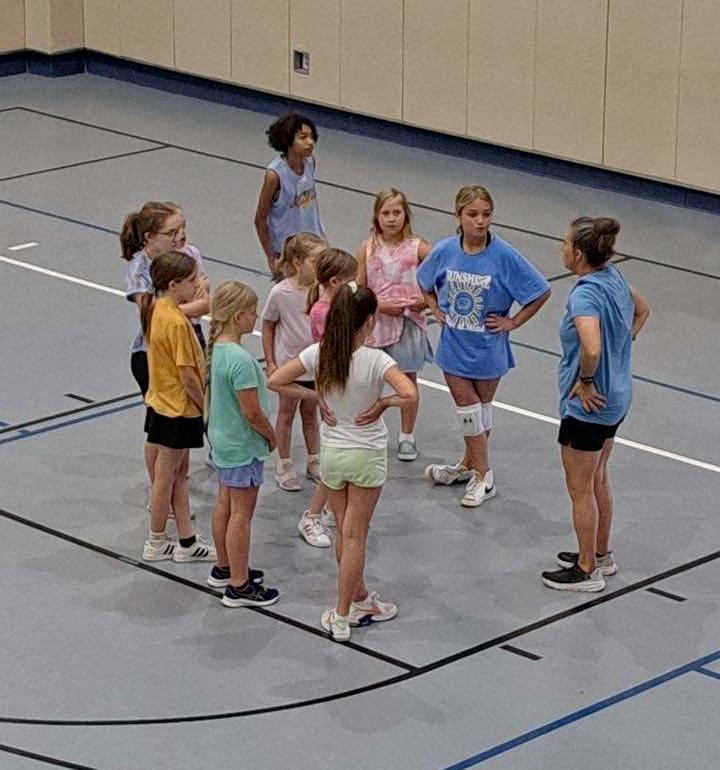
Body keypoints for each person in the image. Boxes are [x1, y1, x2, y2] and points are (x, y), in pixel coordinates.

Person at [268, 284, 417, 642]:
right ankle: (343, 613)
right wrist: (382, 404)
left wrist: (314, 396)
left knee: (343, 532)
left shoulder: (319, 353)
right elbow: (409, 393)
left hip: (333, 454)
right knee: (355, 536)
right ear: (369, 322)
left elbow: (275, 380)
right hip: (366, 455)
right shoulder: (377, 360)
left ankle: (360, 597)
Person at [417, 185, 551, 507]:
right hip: (454, 345)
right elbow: (424, 282)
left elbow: (540, 291)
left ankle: (470, 465)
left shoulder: (505, 255)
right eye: (473, 214)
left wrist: (513, 322)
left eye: (486, 214)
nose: (480, 221)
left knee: (481, 411)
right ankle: (483, 473)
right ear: (458, 216)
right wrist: (435, 309)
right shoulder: (445, 250)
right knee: (468, 408)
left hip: (489, 347)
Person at [542, 217, 650, 592]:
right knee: (599, 476)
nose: (561, 248)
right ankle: (601, 553)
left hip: (589, 407)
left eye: (564, 243)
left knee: (580, 488)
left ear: (578, 253)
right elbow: (643, 310)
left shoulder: (584, 296)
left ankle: (586, 569)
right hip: (617, 397)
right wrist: (622, 347)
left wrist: (586, 381)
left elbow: (591, 348)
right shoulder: (614, 277)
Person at [121, 202, 209, 492]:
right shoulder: (139, 268)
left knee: (185, 421)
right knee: (160, 429)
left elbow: (205, 303)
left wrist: (174, 308)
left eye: (183, 228)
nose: (180, 236)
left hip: (192, 339)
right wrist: (179, 309)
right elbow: (151, 315)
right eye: (172, 232)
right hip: (153, 354)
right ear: (149, 237)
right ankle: (159, 489)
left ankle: (178, 483)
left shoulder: (190, 255)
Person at [205, 281, 280, 607]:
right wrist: (272, 435)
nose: (256, 317)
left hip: (223, 440)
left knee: (225, 503)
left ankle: (224, 566)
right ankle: (239, 584)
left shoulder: (218, 351)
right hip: (242, 444)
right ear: (237, 317)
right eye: (252, 312)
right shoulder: (241, 361)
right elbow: (252, 412)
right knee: (242, 514)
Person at [139, 251, 215, 563]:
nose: (196, 285)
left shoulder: (157, 308)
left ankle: (187, 540)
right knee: (166, 477)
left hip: (162, 403)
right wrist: (205, 406)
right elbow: (188, 375)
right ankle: (156, 541)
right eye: (191, 280)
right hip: (178, 409)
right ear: (173, 284)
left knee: (178, 475)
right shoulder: (176, 322)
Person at [261, 234, 329, 551]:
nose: (321, 265)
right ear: (298, 261)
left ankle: (314, 460)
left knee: (311, 413)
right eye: (316, 260)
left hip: (316, 365)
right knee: (287, 413)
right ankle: (285, 462)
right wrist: (271, 361)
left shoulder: (322, 290)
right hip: (290, 364)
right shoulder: (281, 292)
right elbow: (268, 325)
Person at [357, 188, 433, 461]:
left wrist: (426, 300)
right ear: (376, 217)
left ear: (406, 215)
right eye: (386, 213)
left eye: (396, 213)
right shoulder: (367, 248)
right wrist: (378, 306)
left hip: (407, 325)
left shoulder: (418, 247)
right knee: (368, 378)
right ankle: (366, 429)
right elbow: (359, 289)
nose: (391, 219)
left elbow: (443, 274)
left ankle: (407, 436)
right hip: (375, 325)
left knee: (407, 380)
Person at [254, 113, 327, 281]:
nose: (310, 142)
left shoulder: (310, 163)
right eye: (303, 137)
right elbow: (260, 218)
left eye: (312, 137)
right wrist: (271, 257)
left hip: (314, 243)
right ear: (288, 140)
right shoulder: (274, 175)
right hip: (288, 253)